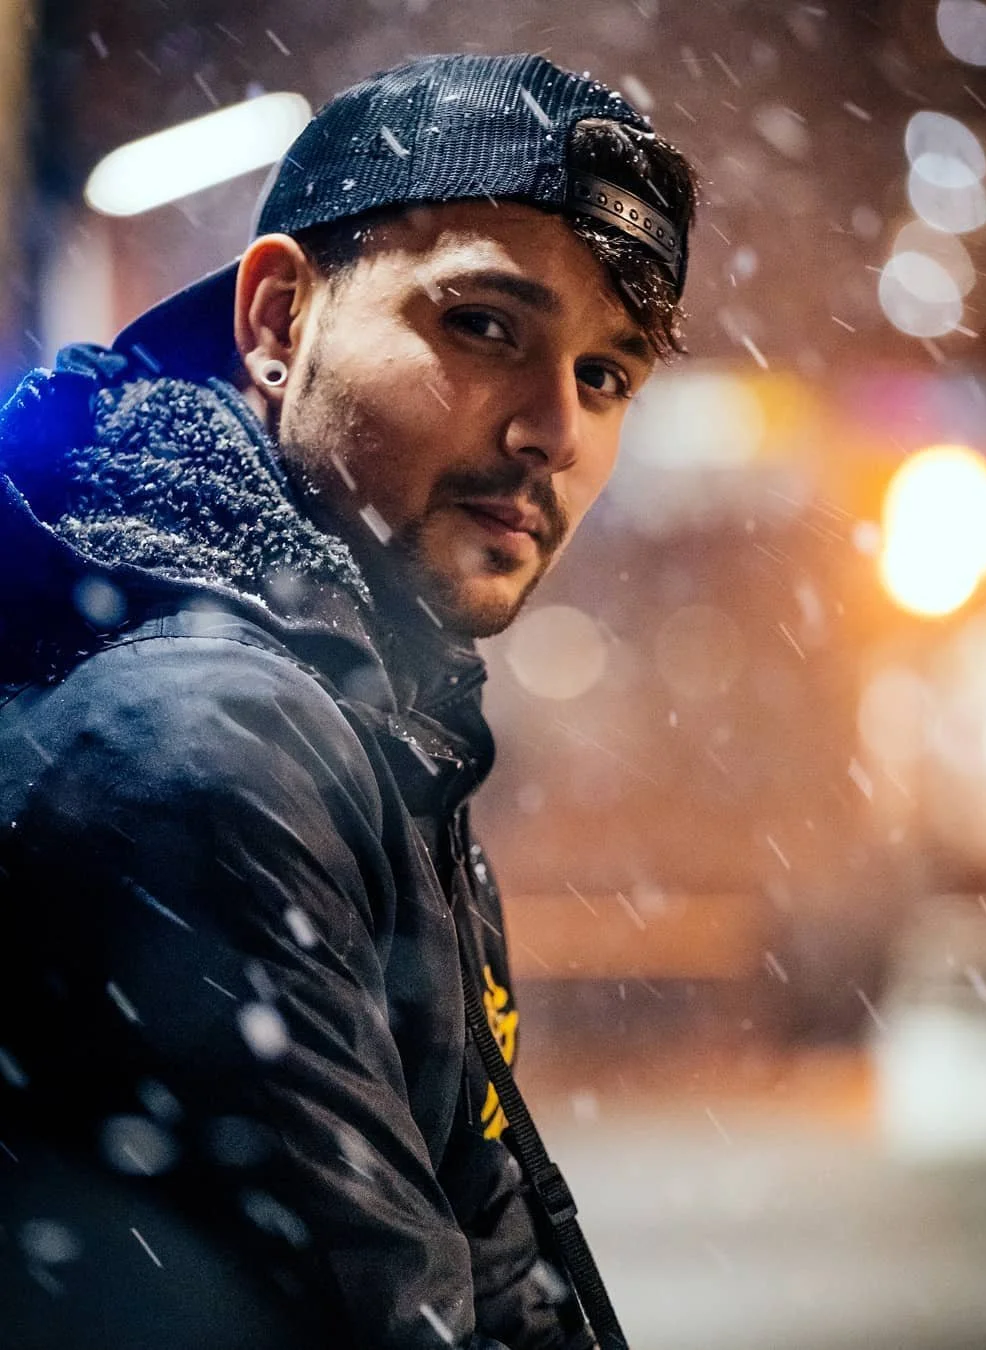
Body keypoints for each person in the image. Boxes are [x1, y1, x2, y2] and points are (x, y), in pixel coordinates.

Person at [0, 51, 696, 1350]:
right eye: (483, 325)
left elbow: (482, 1246)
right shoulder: (200, 747)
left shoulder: (372, 706)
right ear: (280, 321)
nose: (555, 429)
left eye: (606, 376)